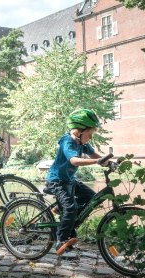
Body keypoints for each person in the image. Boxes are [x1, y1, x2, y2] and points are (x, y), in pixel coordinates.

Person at [45, 109, 109, 255]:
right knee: (70, 208)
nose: (91, 138)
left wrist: (109, 162)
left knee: (93, 198)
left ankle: (64, 215)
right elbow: (74, 160)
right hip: (57, 181)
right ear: (78, 132)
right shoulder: (67, 141)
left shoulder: (82, 143)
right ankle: (60, 241)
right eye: (90, 134)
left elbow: (95, 155)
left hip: (70, 180)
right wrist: (97, 161)